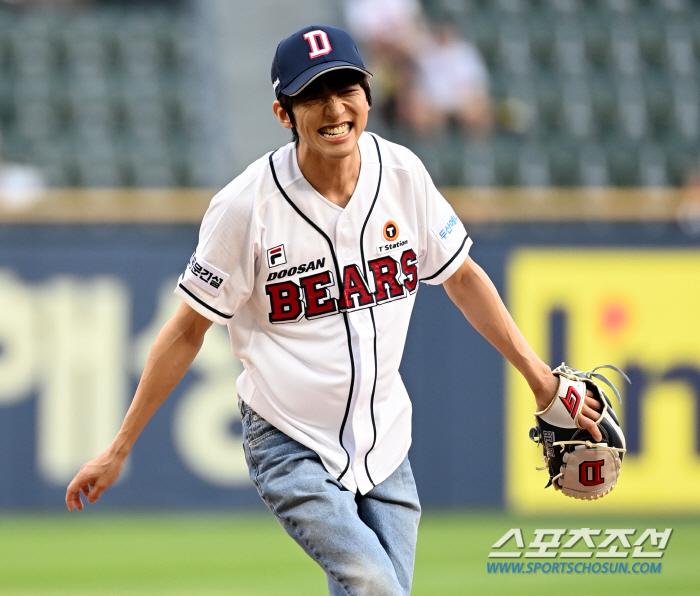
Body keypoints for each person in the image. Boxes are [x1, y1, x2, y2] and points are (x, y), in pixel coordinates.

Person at [65, 25, 602, 596]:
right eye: (313, 94)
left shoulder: (403, 175)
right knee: (374, 585)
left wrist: (541, 380)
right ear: (283, 112)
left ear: (370, 95)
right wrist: (119, 447)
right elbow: (186, 331)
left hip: (386, 439)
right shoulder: (246, 206)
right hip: (288, 437)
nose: (334, 108)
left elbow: (463, 278)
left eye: (347, 88)